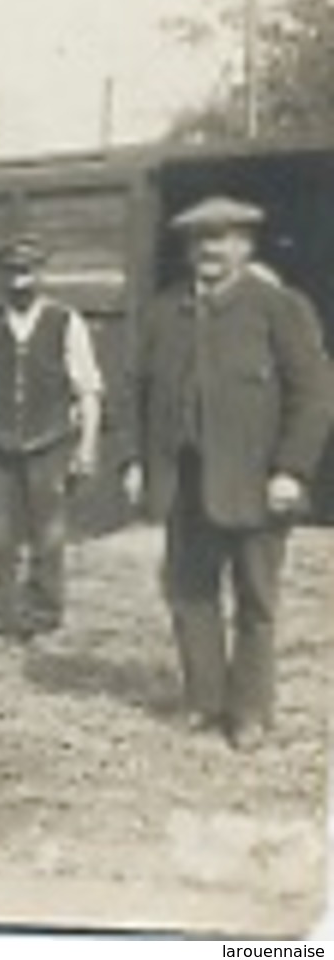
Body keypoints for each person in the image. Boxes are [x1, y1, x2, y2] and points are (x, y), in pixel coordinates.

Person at [125, 195, 332, 753]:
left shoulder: (279, 307)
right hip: (186, 480)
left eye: (223, 238)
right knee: (189, 591)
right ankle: (204, 701)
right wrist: (139, 461)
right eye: (200, 240)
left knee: (256, 599)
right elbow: (139, 392)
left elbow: (315, 395)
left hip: (258, 482)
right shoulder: (165, 312)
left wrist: (291, 469)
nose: (210, 250)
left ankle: (249, 713)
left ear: (246, 245)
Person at [0, 235, 104, 642]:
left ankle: (44, 613)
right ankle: (5, 612)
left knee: (48, 534)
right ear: (1, 276)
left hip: (49, 441)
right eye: (12, 272)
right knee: (0, 535)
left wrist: (86, 446)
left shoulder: (66, 323)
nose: (20, 281)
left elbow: (87, 389)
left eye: (28, 271)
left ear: (41, 274)